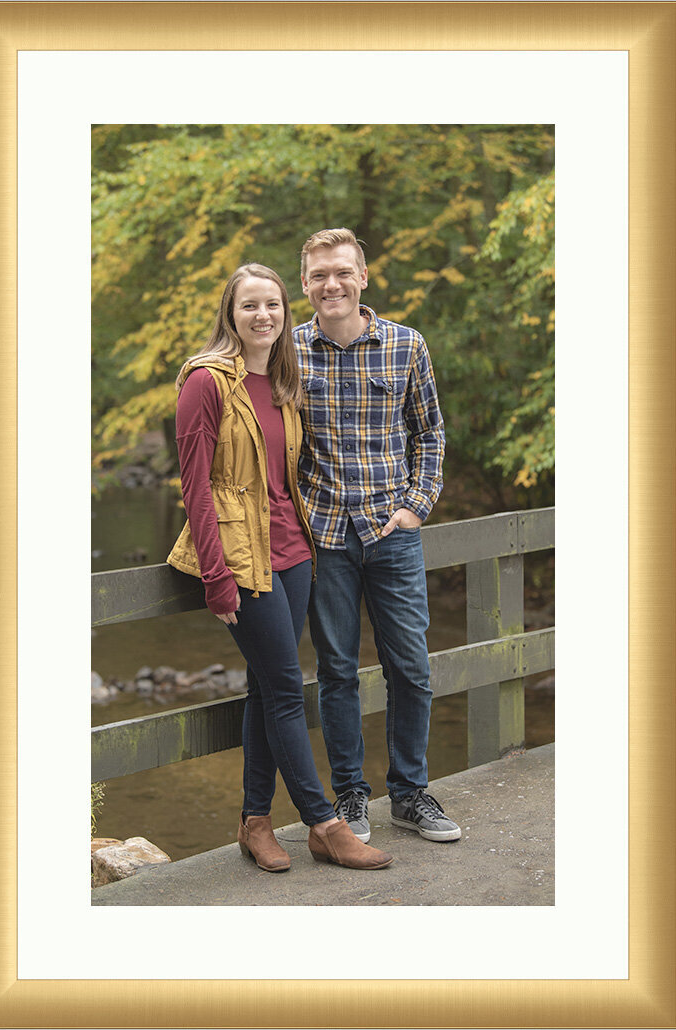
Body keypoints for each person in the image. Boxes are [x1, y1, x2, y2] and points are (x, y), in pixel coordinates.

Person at [167, 263, 393, 872]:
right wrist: (215, 577)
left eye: (272, 304)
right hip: (242, 561)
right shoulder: (207, 383)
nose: (263, 315)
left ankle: (254, 821)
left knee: (266, 687)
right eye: (249, 306)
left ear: (284, 313)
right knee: (289, 691)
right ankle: (323, 823)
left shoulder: (284, 382)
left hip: (294, 554)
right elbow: (197, 490)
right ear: (230, 314)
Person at [293, 228, 462, 845]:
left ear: (363, 276)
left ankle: (411, 794)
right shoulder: (287, 352)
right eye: (318, 275)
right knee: (336, 671)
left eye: (341, 272)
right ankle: (350, 797)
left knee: (410, 667)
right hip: (324, 536)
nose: (330, 284)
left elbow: (431, 436)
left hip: (392, 533)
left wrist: (417, 507)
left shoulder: (405, 345)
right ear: (305, 284)